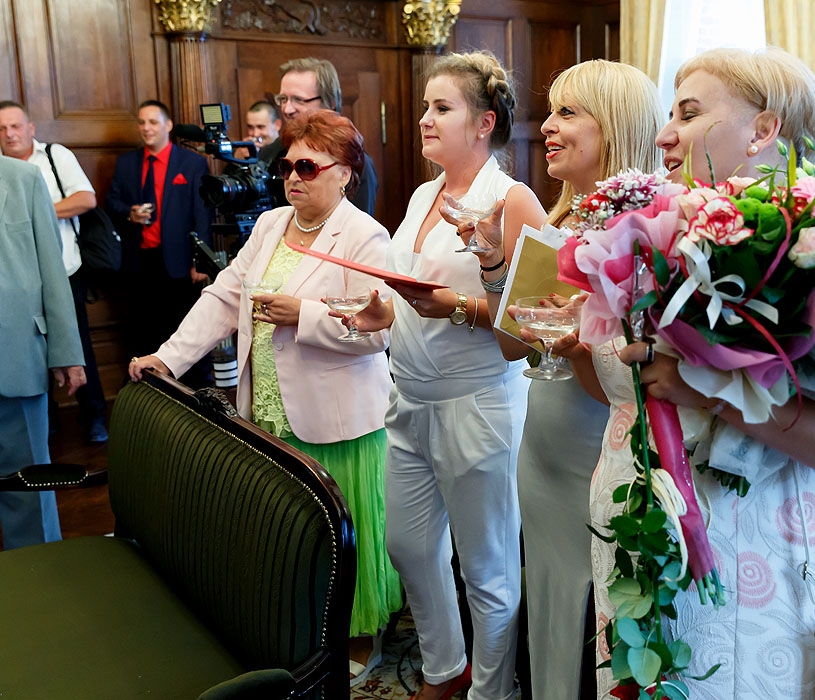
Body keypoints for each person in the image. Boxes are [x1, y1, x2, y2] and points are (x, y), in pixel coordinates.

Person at [587, 48, 815, 698]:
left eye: (688, 114)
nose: (663, 135)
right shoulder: (652, 240)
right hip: (647, 560)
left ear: (764, 130)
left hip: (779, 574)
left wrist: (706, 389)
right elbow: (619, 395)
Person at [127, 111, 401, 686]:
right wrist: (168, 359)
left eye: (307, 166)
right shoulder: (272, 224)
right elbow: (224, 299)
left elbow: (380, 334)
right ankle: (299, 638)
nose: (292, 178)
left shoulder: (364, 235)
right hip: (269, 409)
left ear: (345, 173)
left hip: (337, 418)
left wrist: (305, 315)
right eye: (285, 166)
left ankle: (357, 641)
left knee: (342, 543)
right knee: (292, 536)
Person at [453, 59, 663, 700]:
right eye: (550, 112)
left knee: (601, 605)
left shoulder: (649, 232)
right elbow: (513, 344)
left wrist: (577, 353)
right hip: (540, 451)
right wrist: (493, 260)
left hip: (597, 451)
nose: (546, 126)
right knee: (547, 596)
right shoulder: (557, 226)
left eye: (568, 113)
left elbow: (640, 375)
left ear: (616, 125)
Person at [346, 50, 547, 700]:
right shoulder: (423, 194)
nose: (426, 119)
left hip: (477, 404)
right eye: (427, 107)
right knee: (407, 545)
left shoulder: (511, 200)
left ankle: (491, 690)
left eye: (442, 108)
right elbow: (414, 289)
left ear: (484, 122)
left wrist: (458, 305)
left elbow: (534, 323)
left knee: (486, 568)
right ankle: (444, 666)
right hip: (409, 402)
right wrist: (383, 313)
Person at [0, 100, 108, 443]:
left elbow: (86, 199)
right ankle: (45, 423)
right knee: (26, 351)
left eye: (16, 126)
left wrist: (37, 209)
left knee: (77, 347)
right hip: (18, 286)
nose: (10, 134)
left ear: (31, 128)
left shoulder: (52, 157)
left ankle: (94, 418)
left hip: (63, 270)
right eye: (2, 129)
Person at [0, 155, 85, 550]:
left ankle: (40, 574)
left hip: (15, 356)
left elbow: (53, 268)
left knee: (28, 483)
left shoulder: (23, 178)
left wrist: (67, 352)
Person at [106, 99, 213, 388]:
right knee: (142, 330)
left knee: (181, 329)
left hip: (178, 262)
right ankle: (150, 394)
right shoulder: (127, 163)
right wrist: (129, 213)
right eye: (141, 122)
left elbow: (202, 213)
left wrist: (199, 261)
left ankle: (193, 393)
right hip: (139, 262)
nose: (146, 128)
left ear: (167, 126)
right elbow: (112, 202)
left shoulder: (192, 163)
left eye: (153, 122)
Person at [262, 57, 378, 217]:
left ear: (330, 103)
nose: (287, 109)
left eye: (298, 100)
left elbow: (357, 232)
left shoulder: (354, 163)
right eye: (283, 99)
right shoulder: (268, 156)